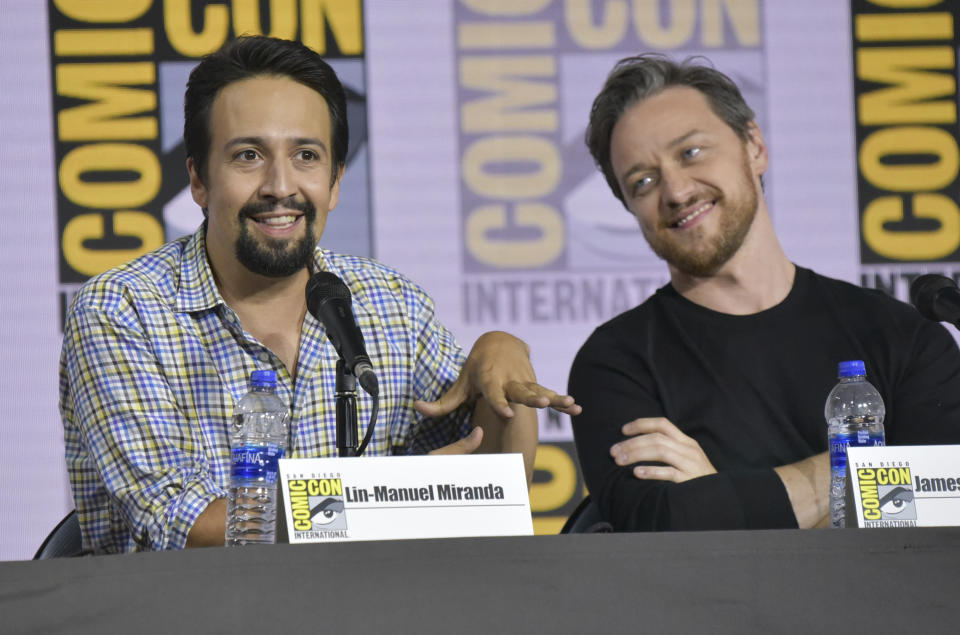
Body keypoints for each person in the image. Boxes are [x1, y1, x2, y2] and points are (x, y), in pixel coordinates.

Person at [60, 36, 580, 554]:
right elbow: (186, 525)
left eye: (306, 156)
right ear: (198, 180)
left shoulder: (389, 303)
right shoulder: (122, 310)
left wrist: (501, 352)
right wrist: (388, 501)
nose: (280, 185)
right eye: (248, 155)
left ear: (334, 182)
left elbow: (490, 488)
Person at [568, 54, 960, 532]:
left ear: (754, 146)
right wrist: (878, 468)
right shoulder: (615, 365)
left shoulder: (902, 337)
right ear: (629, 207)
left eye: (691, 152)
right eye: (643, 181)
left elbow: (941, 511)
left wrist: (726, 492)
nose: (675, 191)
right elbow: (672, 525)